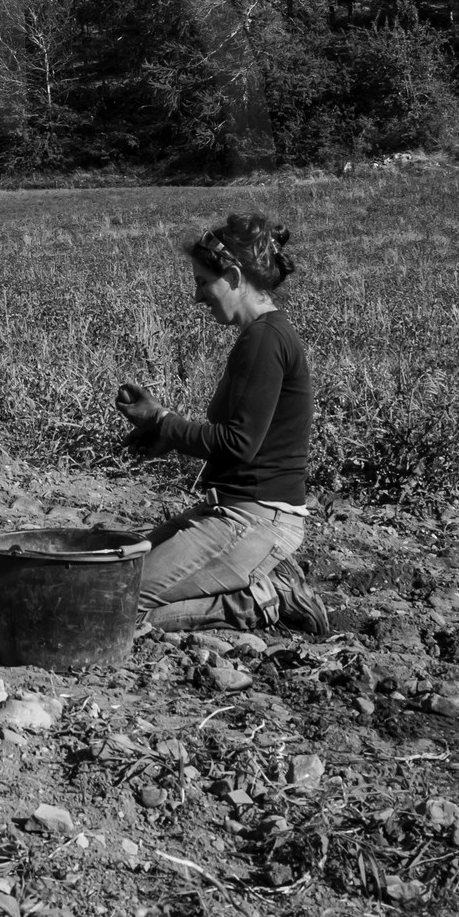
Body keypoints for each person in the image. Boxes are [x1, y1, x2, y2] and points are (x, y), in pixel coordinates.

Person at [113, 212, 330, 636]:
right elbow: (248, 443)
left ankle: (258, 601)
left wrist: (162, 420)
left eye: (201, 282)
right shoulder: (264, 335)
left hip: (255, 520)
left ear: (231, 275)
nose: (197, 296)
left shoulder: (264, 340)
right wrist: (166, 435)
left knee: (116, 602)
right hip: (234, 510)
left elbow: (238, 442)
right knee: (108, 573)